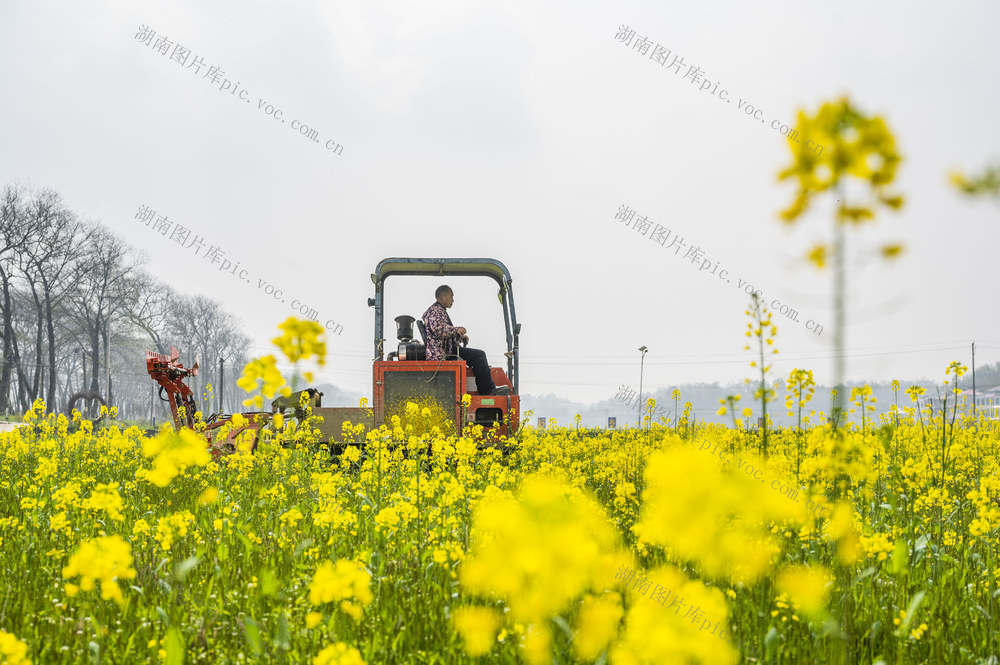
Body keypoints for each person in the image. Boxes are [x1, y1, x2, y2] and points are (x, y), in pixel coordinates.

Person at [422, 285, 510, 396]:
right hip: (442, 354)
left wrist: (459, 336)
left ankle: (486, 388)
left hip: (447, 350)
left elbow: (442, 331)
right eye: (451, 297)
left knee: (477, 357)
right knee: (479, 356)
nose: (453, 300)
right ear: (443, 296)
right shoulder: (435, 311)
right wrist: (456, 330)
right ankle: (487, 390)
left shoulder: (439, 310)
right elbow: (438, 328)